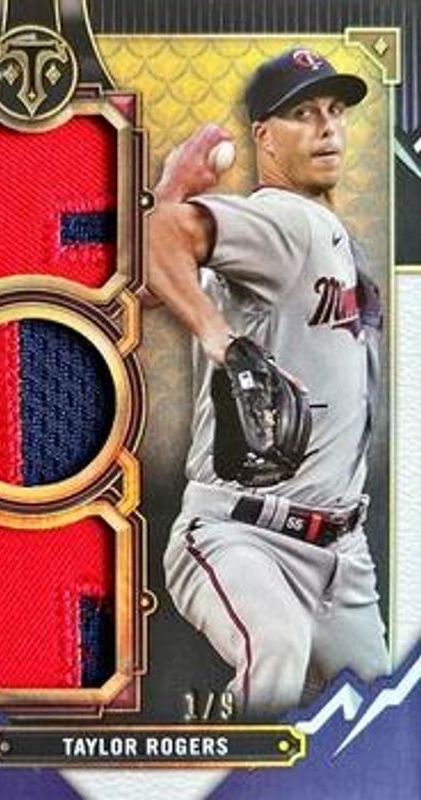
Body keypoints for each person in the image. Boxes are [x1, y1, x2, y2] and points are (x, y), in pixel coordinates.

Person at [147, 47, 390, 719]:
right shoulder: (285, 220)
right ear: (263, 136)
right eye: (302, 113)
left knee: (377, 716)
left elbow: (141, 280)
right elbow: (164, 236)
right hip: (241, 535)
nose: (327, 127)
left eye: (335, 110)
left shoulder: (327, 237)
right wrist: (218, 338)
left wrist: (168, 196)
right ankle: (229, 773)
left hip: (341, 553)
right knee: (276, 650)